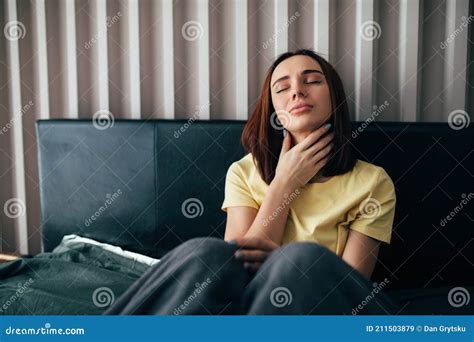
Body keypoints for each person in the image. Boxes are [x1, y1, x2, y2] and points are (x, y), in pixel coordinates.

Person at [105, 49, 399, 315]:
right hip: (247, 303)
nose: (297, 91)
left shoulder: (372, 183)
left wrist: (286, 267)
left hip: (318, 309)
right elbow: (236, 267)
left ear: (334, 97)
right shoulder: (243, 173)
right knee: (206, 253)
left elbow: (348, 289)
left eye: (312, 81)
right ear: (273, 111)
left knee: (300, 258)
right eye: (282, 88)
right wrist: (285, 183)